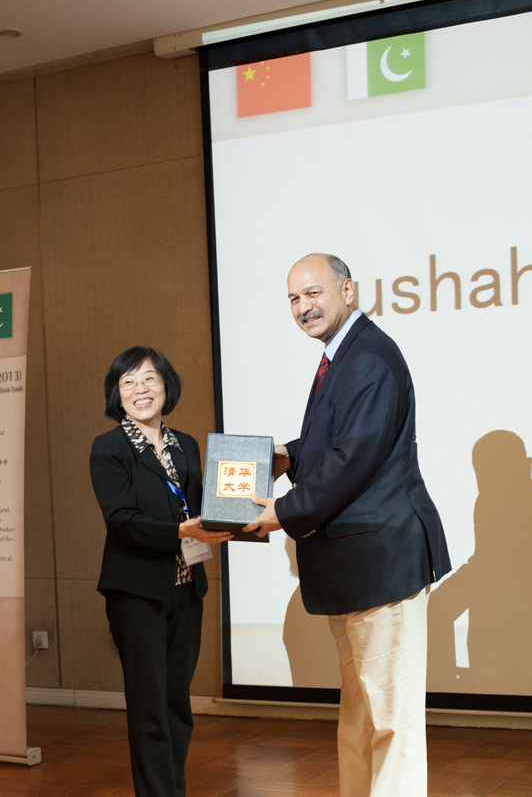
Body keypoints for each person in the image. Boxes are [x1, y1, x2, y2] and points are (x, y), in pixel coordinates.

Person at [245, 254, 451, 797]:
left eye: (313, 293)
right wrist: (288, 456)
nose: (302, 308)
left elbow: (352, 459)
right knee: (362, 717)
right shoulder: (341, 357)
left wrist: (280, 512)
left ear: (349, 290)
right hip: (359, 568)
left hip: (383, 566)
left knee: (391, 723)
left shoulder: (369, 358)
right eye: (292, 299)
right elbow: (336, 446)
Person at [89, 346, 232, 797]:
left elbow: (208, 507)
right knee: (150, 708)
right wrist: (180, 529)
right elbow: (122, 521)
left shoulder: (185, 444)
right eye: (128, 383)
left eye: (149, 379)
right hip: (136, 592)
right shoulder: (110, 448)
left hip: (186, 588)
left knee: (177, 705)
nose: (140, 390)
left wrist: (236, 511)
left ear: (166, 385)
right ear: (117, 394)